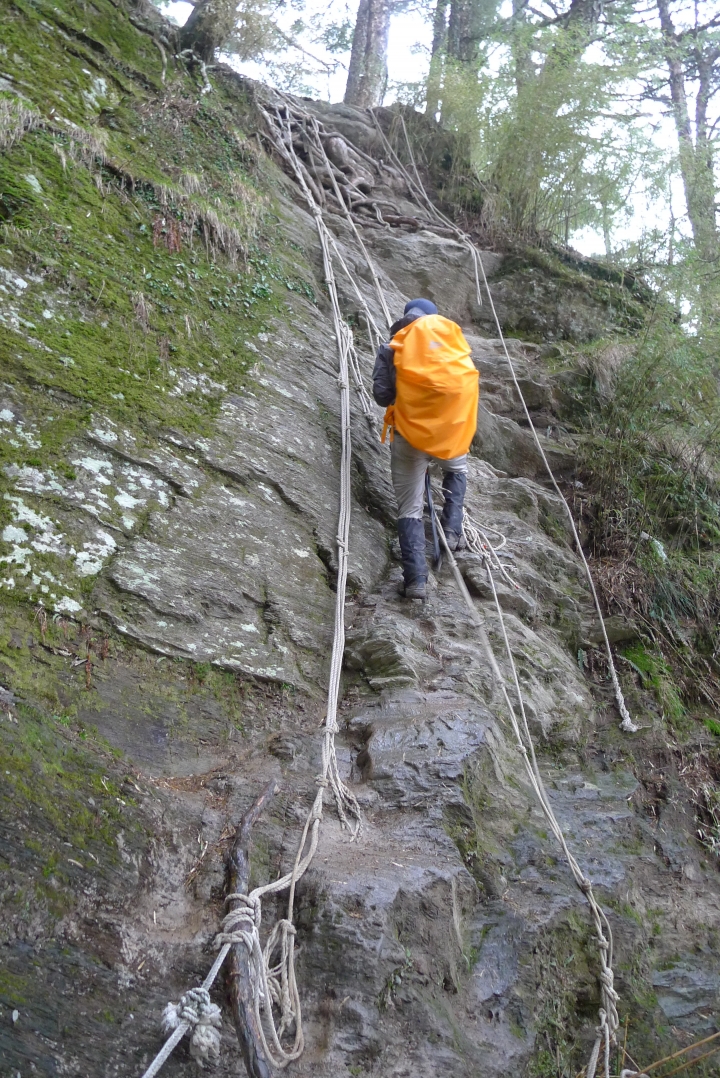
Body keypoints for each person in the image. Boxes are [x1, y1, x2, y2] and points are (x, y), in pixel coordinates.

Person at [373, 298, 479, 600]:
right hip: (452, 430)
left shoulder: (393, 345)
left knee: (410, 507)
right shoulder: (453, 346)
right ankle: (452, 532)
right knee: (457, 469)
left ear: (407, 318)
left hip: (410, 434)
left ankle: (416, 580)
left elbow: (382, 395)